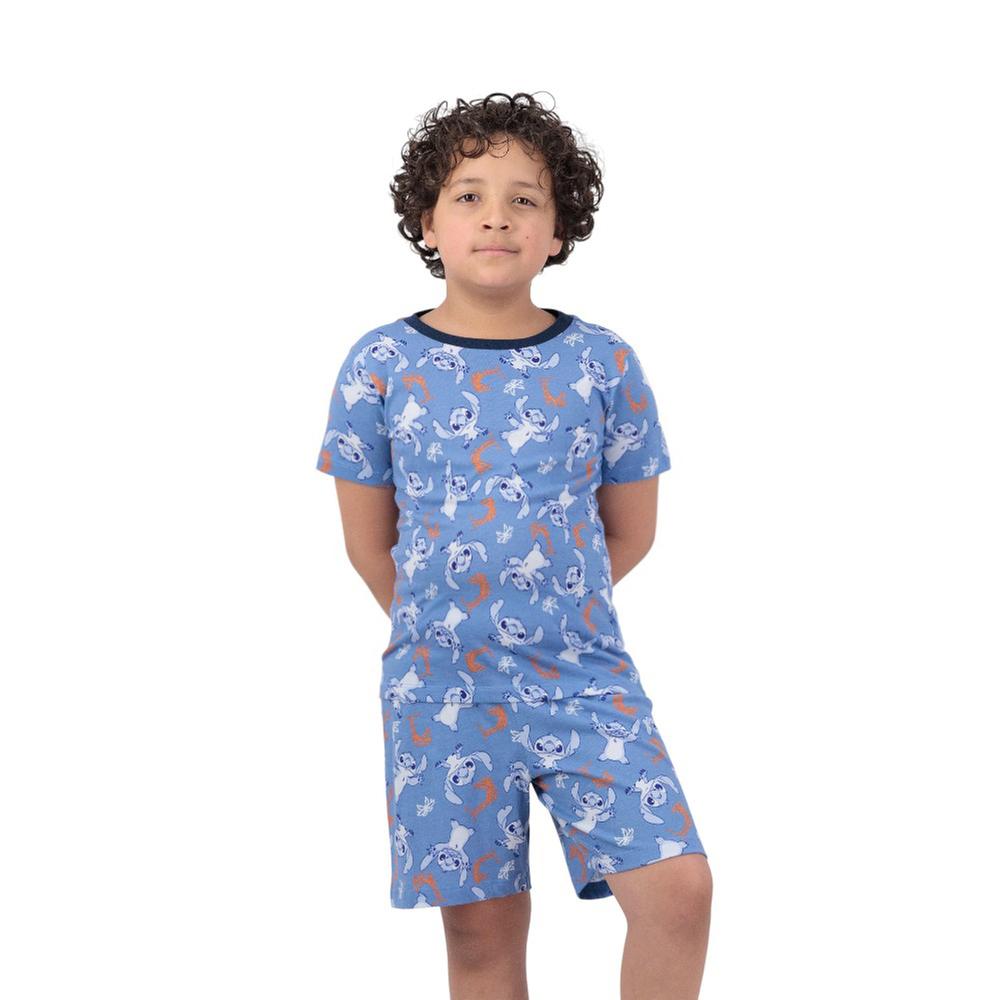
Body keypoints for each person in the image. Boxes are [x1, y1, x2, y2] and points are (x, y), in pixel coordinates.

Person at [315, 92, 712, 1000]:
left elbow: (632, 530)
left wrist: (545, 616)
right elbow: (370, 548)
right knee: (483, 938)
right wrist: (453, 628)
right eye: (468, 195)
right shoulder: (379, 365)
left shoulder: (604, 362)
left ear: (558, 230)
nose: (496, 216)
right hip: (441, 694)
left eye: (524, 199)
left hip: (585, 680)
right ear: (427, 223)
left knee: (678, 890)